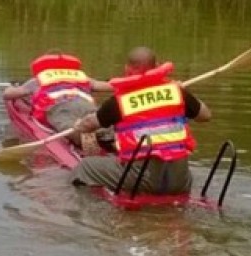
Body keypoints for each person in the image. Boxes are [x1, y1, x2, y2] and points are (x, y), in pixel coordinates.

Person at [71, 47, 212, 194]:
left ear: (127, 69)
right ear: (157, 66)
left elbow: (90, 124)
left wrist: (78, 126)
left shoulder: (120, 101)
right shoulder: (176, 92)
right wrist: (183, 92)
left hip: (142, 178)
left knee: (85, 167)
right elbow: (206, 115)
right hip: (180, 180)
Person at [3, 51, 114, 149]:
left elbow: (8, 95)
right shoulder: (82, 77)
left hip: (58, 107)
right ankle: (109, 136)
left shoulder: (37, 80)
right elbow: (108, 86)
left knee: (69, 126)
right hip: (84, 103)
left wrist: (11, 87)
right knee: (98, 120)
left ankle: (81, 139)